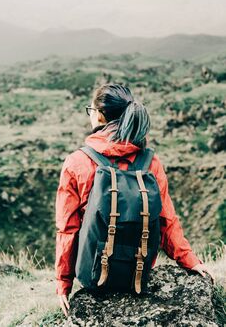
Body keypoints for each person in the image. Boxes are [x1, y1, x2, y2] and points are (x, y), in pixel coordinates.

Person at [55, 83, 214, 317]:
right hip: (137, 275)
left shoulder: (77, 162)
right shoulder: (150, 162)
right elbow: (166, 219)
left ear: (99, 115)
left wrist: (63, 283)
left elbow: (67, 228)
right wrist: (190, 261)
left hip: (93, 277)